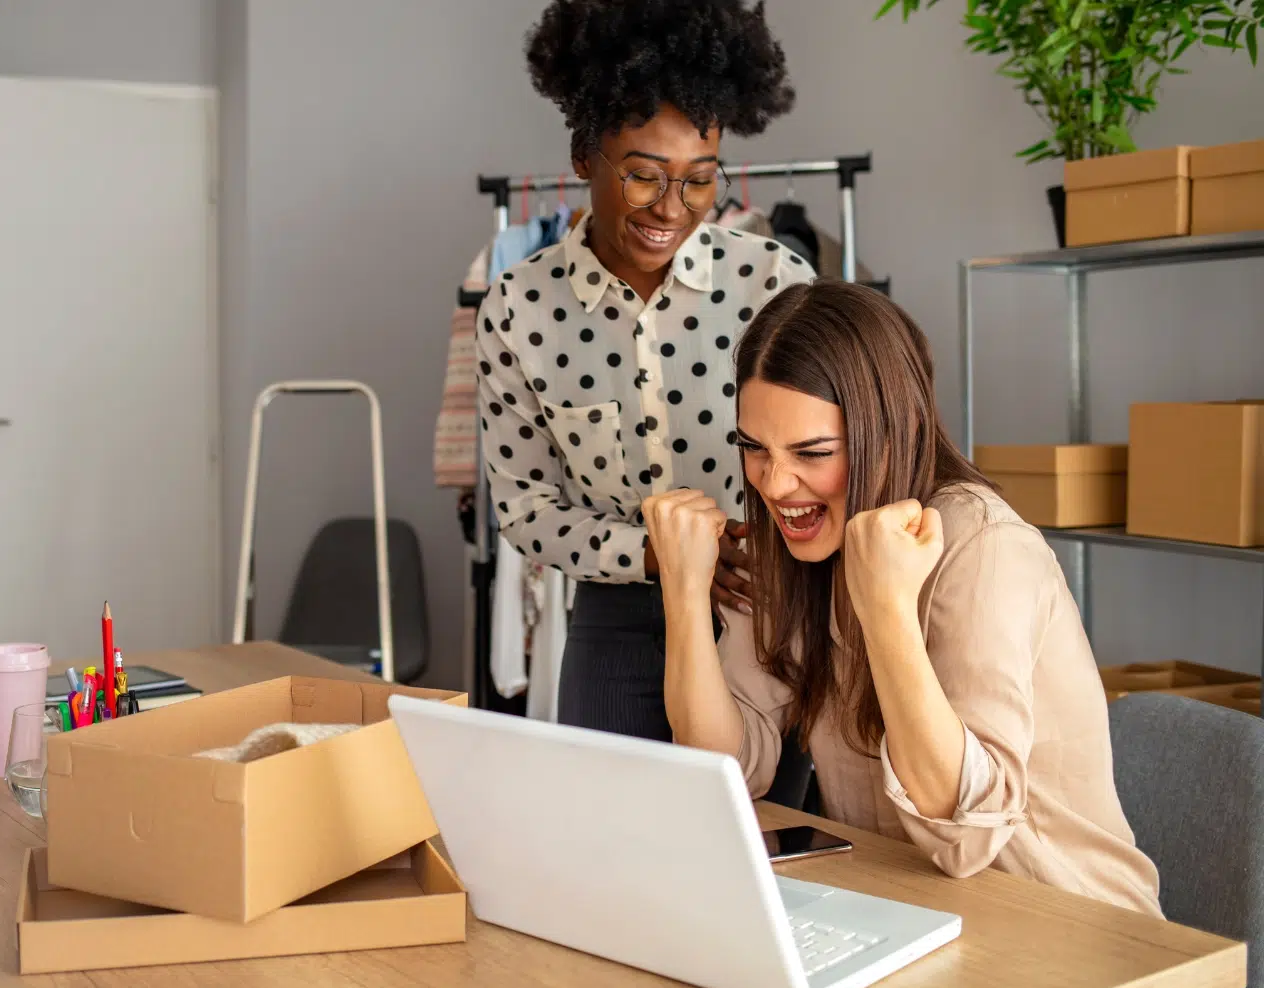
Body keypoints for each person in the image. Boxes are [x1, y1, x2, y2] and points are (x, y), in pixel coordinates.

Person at [643, 278, 1163, 915]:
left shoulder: (983, 546)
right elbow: (725, 770)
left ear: (891, 430)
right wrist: (684, 595)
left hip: (1067, 924)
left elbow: (966, 832)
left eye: (813, 452)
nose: (776, 484)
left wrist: (885, 609)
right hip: (905, 910)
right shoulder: (794, 545)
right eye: (754, 449)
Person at [476, 0, 814, 740]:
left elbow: (831, 454)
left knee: (768, 840)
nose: (673, 208)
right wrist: (660, 555)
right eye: (643, 176)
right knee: (609, 834)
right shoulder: (519, 308)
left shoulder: (775, 284)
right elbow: (525, 507)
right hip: (617, 620)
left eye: (700, 181)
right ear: (582, 157)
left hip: (763, 609)